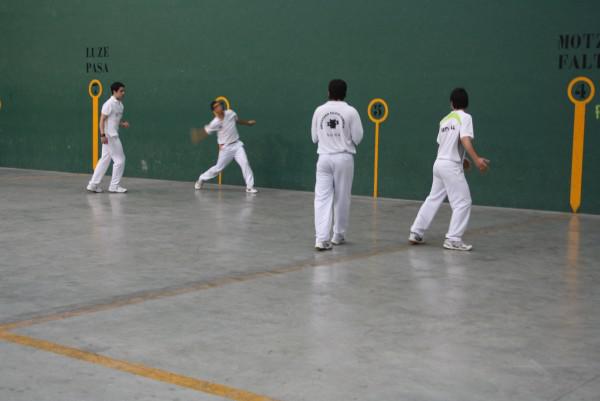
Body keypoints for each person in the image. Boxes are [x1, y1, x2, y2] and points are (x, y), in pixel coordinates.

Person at [408, 88, 489, 251]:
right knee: (463, 202)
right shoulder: (465, 117)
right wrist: (476, 159)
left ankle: (416, 232)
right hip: (450, 166)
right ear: (467, 103)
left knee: (433, 198)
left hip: (439, 164)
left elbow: (445, 145)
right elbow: (464, 139)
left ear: (451, 104)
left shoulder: (444, 120)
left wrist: (463, 160)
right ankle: (453, 239)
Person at [311, 79, 364, 251]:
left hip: (323, 158)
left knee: (321, 198)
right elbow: (358, 137)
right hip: (343, 158)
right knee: (342, 197)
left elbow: (314, 138)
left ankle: (321, 239)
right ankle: (338, 235)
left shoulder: (319, 110)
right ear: (345, 93)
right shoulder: (351, 112)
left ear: (328, 92)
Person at [194, 101, 258, 193]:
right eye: (216, 106)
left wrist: (248, 123)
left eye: (219, 105)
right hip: (226, 148)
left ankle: (249, 187)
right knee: (218, 168)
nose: (219, 107)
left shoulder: (230, 113)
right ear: (214, 110)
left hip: (237, 145)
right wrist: (198, 136)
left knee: (245, 163)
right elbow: (206, 131)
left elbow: (237, 120)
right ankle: (201, 178)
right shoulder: (215, 122)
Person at [86, 82, 129, 193]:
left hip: (111, 135)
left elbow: (114, 120)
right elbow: (102, 120)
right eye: (121, 91)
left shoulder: (120, 105)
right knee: (120, 160)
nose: (123, 93)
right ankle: (114, 186)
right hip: (110, 136)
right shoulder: (108, 104)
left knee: (104, 160)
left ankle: (93, 184)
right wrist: (102, 135)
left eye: (124, 91)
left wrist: (122, 124)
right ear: (114, 91)